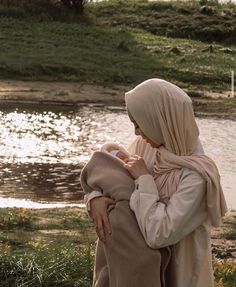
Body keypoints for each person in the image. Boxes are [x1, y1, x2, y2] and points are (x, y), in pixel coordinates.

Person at [84, 78, 227, 287]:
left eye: (139, 124)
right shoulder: (145, 147)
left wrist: (144, 179)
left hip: (179, 271)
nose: (136, 132)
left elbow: (158, 234)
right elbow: (118, 184)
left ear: (160, 120)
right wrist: (94, 199)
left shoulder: (197, 176)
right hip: (134, 268)